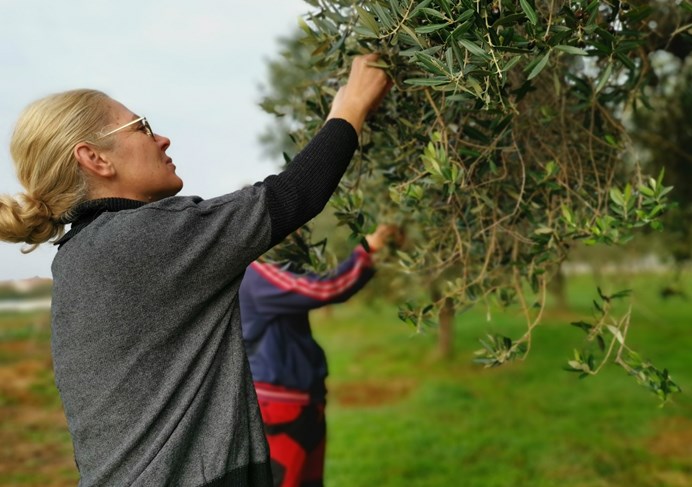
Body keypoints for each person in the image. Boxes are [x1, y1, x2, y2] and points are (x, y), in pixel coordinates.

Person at [0, 53, 392, 486]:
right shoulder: (144, 239)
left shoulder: (78, 254)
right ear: (95, 158)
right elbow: (291, 195)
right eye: (142, 127)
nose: (162, 139)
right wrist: (350, 107)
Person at [238, 225, 397, 487]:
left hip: (302, 400)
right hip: (281, 405)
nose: (299, 231)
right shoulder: (258, 275)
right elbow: (325, 288)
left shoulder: (270, 270)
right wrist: (368, 250)